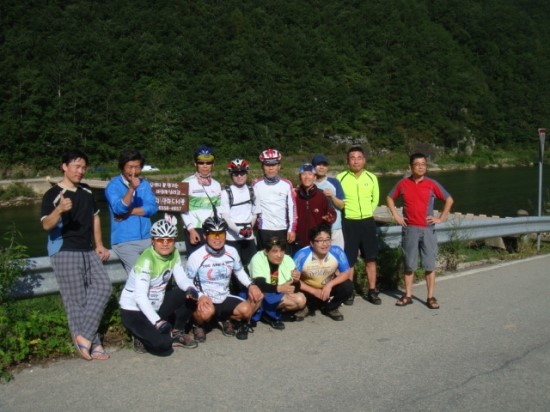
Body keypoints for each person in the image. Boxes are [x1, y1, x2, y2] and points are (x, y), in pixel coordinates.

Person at [40, 149, 112, 361]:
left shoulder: (86, 191)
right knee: (77, 300)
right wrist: (59, 210)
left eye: (83, 167)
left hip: (88, 249)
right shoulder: (52, 194)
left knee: (104, 287)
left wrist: (99, 244)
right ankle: (93, 343)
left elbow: (95, 217)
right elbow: (46, 225)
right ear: (64, 166)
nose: (80, 171)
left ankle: (85, 337)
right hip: (65, 250)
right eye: (76, 166)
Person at [119, 219, 199, 354]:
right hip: (134, 309)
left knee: (188, 293)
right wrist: (158, 322)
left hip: (156, 304)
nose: (165, 243)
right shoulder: (146, 261)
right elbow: (140, 297)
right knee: (164, 345)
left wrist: (191, 289)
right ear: (153, 241)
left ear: (174, 241)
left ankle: (177, 332)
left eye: (170, 240)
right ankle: (139, 336)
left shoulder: (174, 253)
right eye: (160, 240)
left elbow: (181, 278)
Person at [386, 153, 454, 309]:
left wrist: (441, 218)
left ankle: (430, 297)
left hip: (428, 229)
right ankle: (408, 295)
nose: (421, 167)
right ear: (410, 167)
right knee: (409, 264)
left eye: (423, 164)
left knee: (429, 265)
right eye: (417, 164)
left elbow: (449, 199)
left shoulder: (432, 184)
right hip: (410, 229)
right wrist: (396, 215)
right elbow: (389, 198)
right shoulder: (403, 183)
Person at [186, 216, 263, 341]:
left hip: (224, 296)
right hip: (205, 298)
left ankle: (224, 319)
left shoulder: (232, 251)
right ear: (205, 236)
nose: (217, 238)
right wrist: (200, 296)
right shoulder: (196, 256)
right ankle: (197, 325)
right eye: (213, 234)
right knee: (206, 313)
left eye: (221, 234)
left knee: (251, 304)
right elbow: (187, 282)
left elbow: (239, 271)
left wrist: (251, 285)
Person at [337, 146, 380, 306]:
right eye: (352, 158)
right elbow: (338, 200)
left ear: (364, 160)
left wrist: (368, 211)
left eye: (359, 157)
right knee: (350, 260)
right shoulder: (340, 178)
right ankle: (350, 292)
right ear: (348, 161)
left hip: (367, 222)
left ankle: (372, 290)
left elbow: (375, 199)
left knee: (370, 258)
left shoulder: (371, 177)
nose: (356, 161)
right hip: (349, 222)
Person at [105, 148, 158, 274]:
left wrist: (129, 212)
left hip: (147, 238)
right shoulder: (113, 186)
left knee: (157, 274)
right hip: (125, 242)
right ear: (122, 167)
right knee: (141, 274)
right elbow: (119, 209)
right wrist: (131, 189)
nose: (133, 171)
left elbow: (153, 208)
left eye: (137, 167)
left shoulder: (144, 184)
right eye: (130, 167)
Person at [293, 225, 354, 321]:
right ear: (312, 243)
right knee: (293, 287)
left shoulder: (337, 251)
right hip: (308, 290)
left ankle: (331, 308)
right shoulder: (301, 255)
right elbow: (293, 279)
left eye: (327, 240)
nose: (325, 244)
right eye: (320, 240)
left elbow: (346, 272)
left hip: (327, 288)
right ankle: (306, 307)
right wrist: (314, 291)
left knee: (348, 286)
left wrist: (330, 285)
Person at [247, 237, 306, 329]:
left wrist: (296, 281)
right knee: (259, 294)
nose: (279, 255)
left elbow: (295, 288)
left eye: (282, 251)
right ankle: (258, 314)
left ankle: (267, 313)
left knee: (301, 299)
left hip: (275, 293)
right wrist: (280, 288)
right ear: (266, 251)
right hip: (261, 292)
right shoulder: (257, 258)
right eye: (275, 251)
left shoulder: (287, 259)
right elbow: (260, 284)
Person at [252, 148, 297, 253]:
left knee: (283, 259)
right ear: (262, 167)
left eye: (274, 165)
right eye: (267, 165)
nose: (270, 168)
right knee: (264, 259)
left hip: (282, 229)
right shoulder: (256, 184)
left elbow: (292, 208)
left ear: (279, 166)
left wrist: (292, 229)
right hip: (264, 229)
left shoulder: (287, 184)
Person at [180, 145, 222, 257]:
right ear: (195, 164)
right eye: (201, 163)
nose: (205, 166)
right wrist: (191, 230)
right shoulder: (186, 183)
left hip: (212, 229)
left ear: (213, 164)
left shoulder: (217, 185)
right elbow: (183, 210)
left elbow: (218, 210)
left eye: (208, 163)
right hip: (194, 229)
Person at [219, 158, 260, 268]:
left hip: (249, 237)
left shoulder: (253, 191)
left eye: (242, 173)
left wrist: (250, 228)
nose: (239, 176)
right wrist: (239, 231)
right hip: (232, 237)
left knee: (252, 267)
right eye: (236, 174)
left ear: (246, 173)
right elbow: (225, 217)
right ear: (231, 175)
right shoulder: (225, 193)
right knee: (234, 269)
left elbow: (255, 213)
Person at [294, 163, 336, 249]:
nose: (307, 177)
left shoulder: (322, 196)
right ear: (300, 177)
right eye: (303, 174)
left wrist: (328, 219)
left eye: (310, 174)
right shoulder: (295, 195)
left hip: (318, 242)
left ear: (315, 177)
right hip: (299, 240)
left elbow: (332, 215)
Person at [311, 154, 346, 249]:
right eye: (318, 164)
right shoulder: (309, 184)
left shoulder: (334, 182)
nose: (321, 167)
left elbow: (342, 205)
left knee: (337, 256)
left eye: (324, 165)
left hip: (335, 229)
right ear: (313, 167)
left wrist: (332, 197)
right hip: (317, 230)